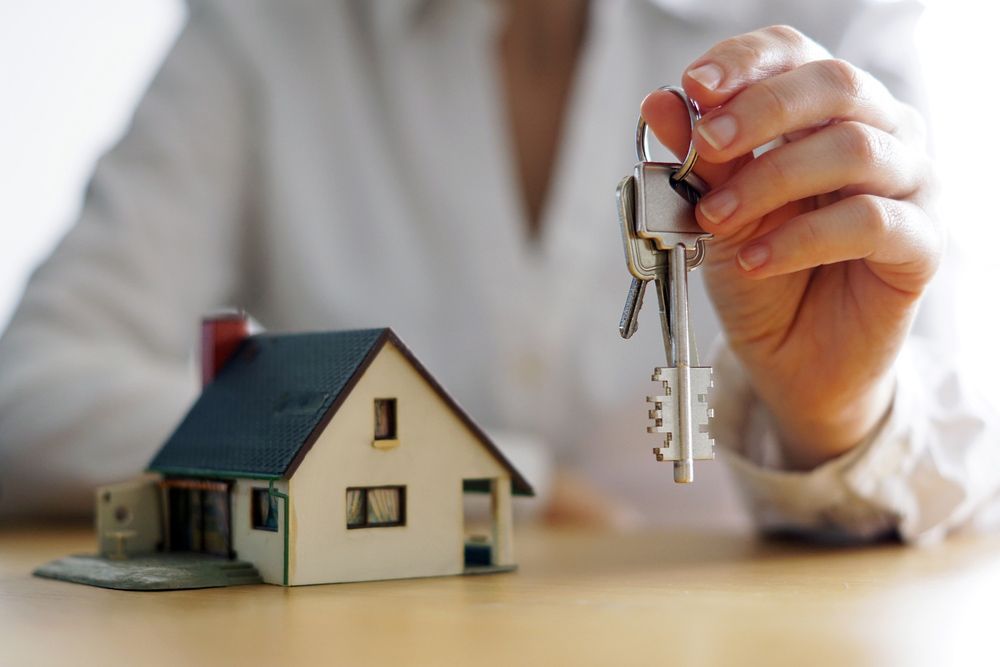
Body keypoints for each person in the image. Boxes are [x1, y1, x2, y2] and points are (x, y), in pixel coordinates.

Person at [0, 0, 995, 542]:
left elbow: (962, 466)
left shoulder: (840, 25)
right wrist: (481, 476)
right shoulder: (262, 28)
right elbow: (28, 397)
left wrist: (834, 418)